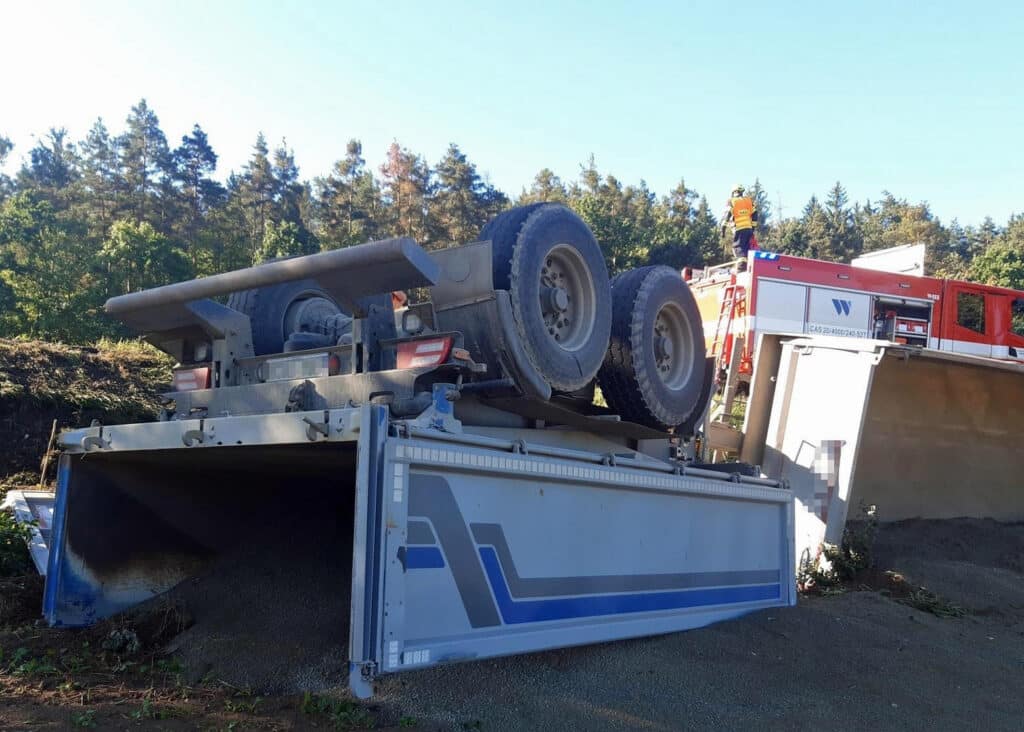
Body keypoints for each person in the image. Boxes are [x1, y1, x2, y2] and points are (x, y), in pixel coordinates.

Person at [721, 185, 759, 269]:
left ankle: (741, 268)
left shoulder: (731, 201)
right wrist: (752, 227)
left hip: (739, 229)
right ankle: (748, 266)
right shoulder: (748, 201)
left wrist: (723, 228)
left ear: (734, 192)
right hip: (748, 229)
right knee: (746, 248)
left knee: (738, 248)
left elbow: (727, 214)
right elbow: (755, 214)